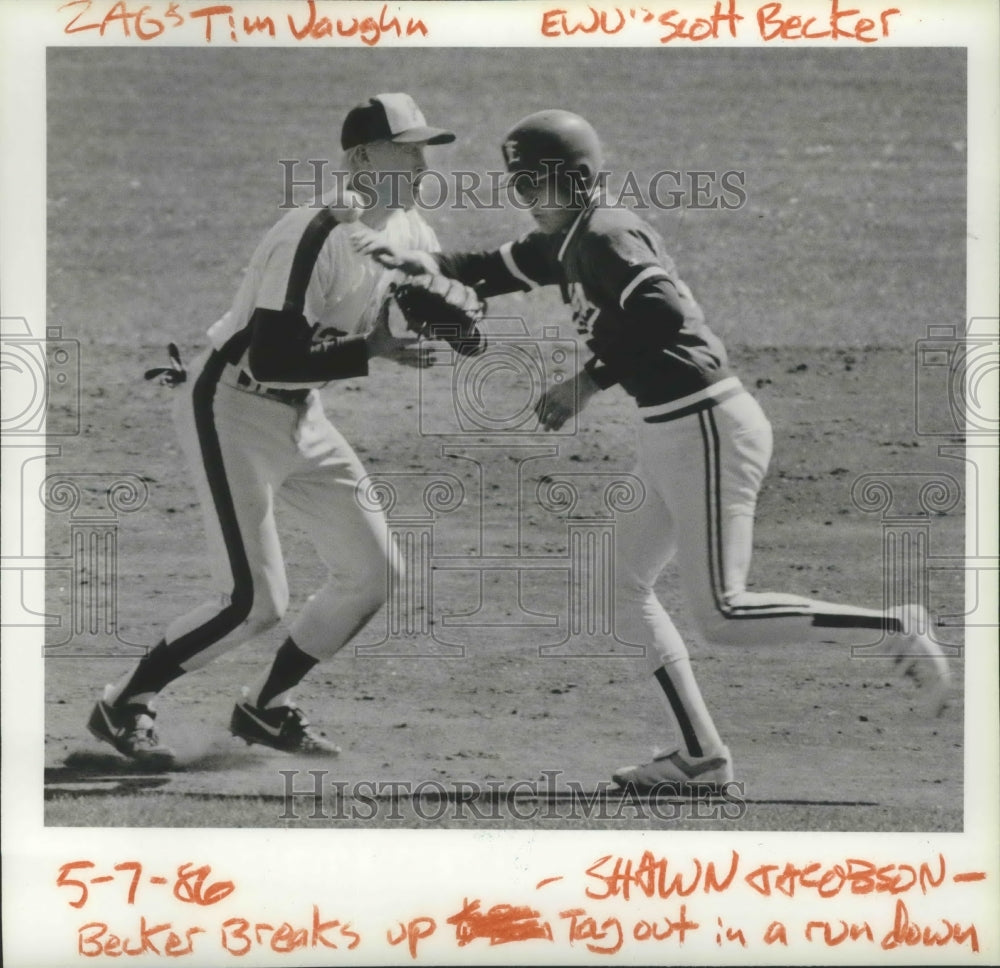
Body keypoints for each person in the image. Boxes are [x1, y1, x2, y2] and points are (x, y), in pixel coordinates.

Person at [354, 108, 952, 792]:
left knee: (723, 614)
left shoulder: (606, 235)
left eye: (531, 183)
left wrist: (587, 380)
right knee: (615, 584)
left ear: (574, 180)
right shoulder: (566, 239)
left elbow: (663, 311)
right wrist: (415, 262)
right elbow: (491, 268)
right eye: (515, 183)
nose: (520, 195)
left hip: (706, 424)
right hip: (675, 431)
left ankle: (892, 627)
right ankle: (701, 756)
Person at [88, 93, 462, 768]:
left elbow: (425, 302)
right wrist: (374, 352)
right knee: (254, 602)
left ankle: (266, 705)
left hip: (303, 414)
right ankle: (124, 703)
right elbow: (270, 356)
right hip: (229, 406)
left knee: (374, 573)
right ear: (360, 160)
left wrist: (453, 318)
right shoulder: (313, 231)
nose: (420, 161)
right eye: (404, 148)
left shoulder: (412, 230)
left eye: (423, 148)